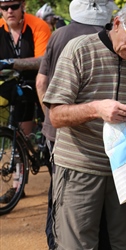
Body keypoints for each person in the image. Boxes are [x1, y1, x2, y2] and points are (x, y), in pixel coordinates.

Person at [42, 0, 126, 249]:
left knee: (124, 244)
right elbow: (55, 115)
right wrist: (96, 109)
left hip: (125, 171)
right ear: (118, 23)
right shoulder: (79, 49)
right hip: (80, 168)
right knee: (77, 245)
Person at [36, 0, 118, 249]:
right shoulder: (110, 37)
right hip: (109, 142)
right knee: (106, 214)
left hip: (63, 139)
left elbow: (41, 82)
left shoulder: (60, 34)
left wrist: (51, 119)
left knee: (61, 204)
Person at [0, 0, 51, 203]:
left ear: (23, 6)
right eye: (4, 7)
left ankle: (46, 151)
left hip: (38, 80)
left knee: (37, 117)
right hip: (9, 82)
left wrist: (12, 62)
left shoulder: (38, 26)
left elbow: (42, 61)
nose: (9, 11)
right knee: (16, 130)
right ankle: (17, 184)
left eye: (13, 6)